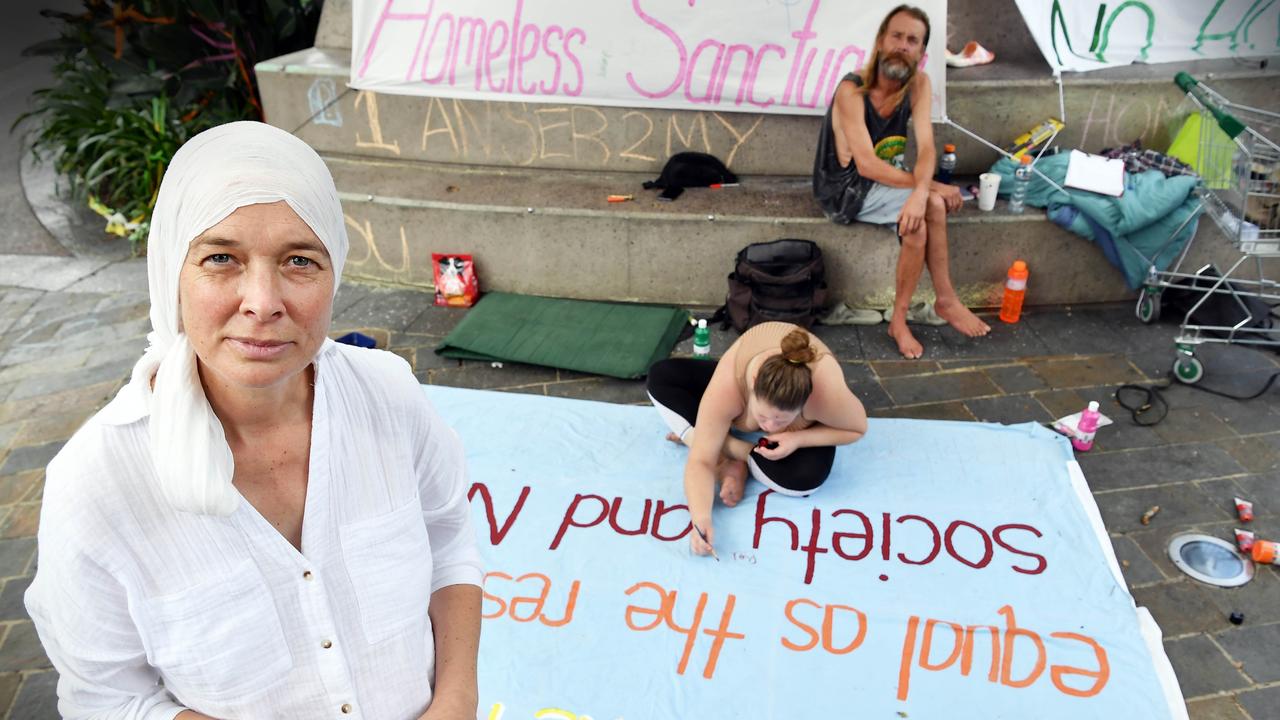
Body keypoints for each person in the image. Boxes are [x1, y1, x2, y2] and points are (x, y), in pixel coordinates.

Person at [24, 121, 483, 719]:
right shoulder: (95, 485)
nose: (263, 301)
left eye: (299, 260)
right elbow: (108, 698)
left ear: (333, 273)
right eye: (221, 258)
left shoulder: (388, 395)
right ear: (172, 274)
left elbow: (447, 542)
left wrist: (455, 701)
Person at [813, 4, 991, 359]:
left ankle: (942, 301)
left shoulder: (918, 85)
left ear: (922, 53)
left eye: (913, 40)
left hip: (885, 177)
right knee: (920, 223)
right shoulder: (852, 91)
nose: (903, 45)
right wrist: (926, 190)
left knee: (932, 204)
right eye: (896, 35)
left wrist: (923, 189)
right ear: (881, 41)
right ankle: (910, 316)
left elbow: (926, 149)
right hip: (845, 188)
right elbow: (865, 166)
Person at [646, 322, 867, 556]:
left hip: (805, 412)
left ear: (807, 402)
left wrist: (799, 438)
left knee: (806, 480)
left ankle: (704, 437)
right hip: (740, 375)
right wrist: (700, 519)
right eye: (762, 416)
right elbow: (701, 460)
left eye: (781, 421)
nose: (769, 428)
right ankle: (731, 454)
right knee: (661, 377)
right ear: (752, 382)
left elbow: (857, 429)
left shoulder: (824, 392)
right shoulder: (729, 384)